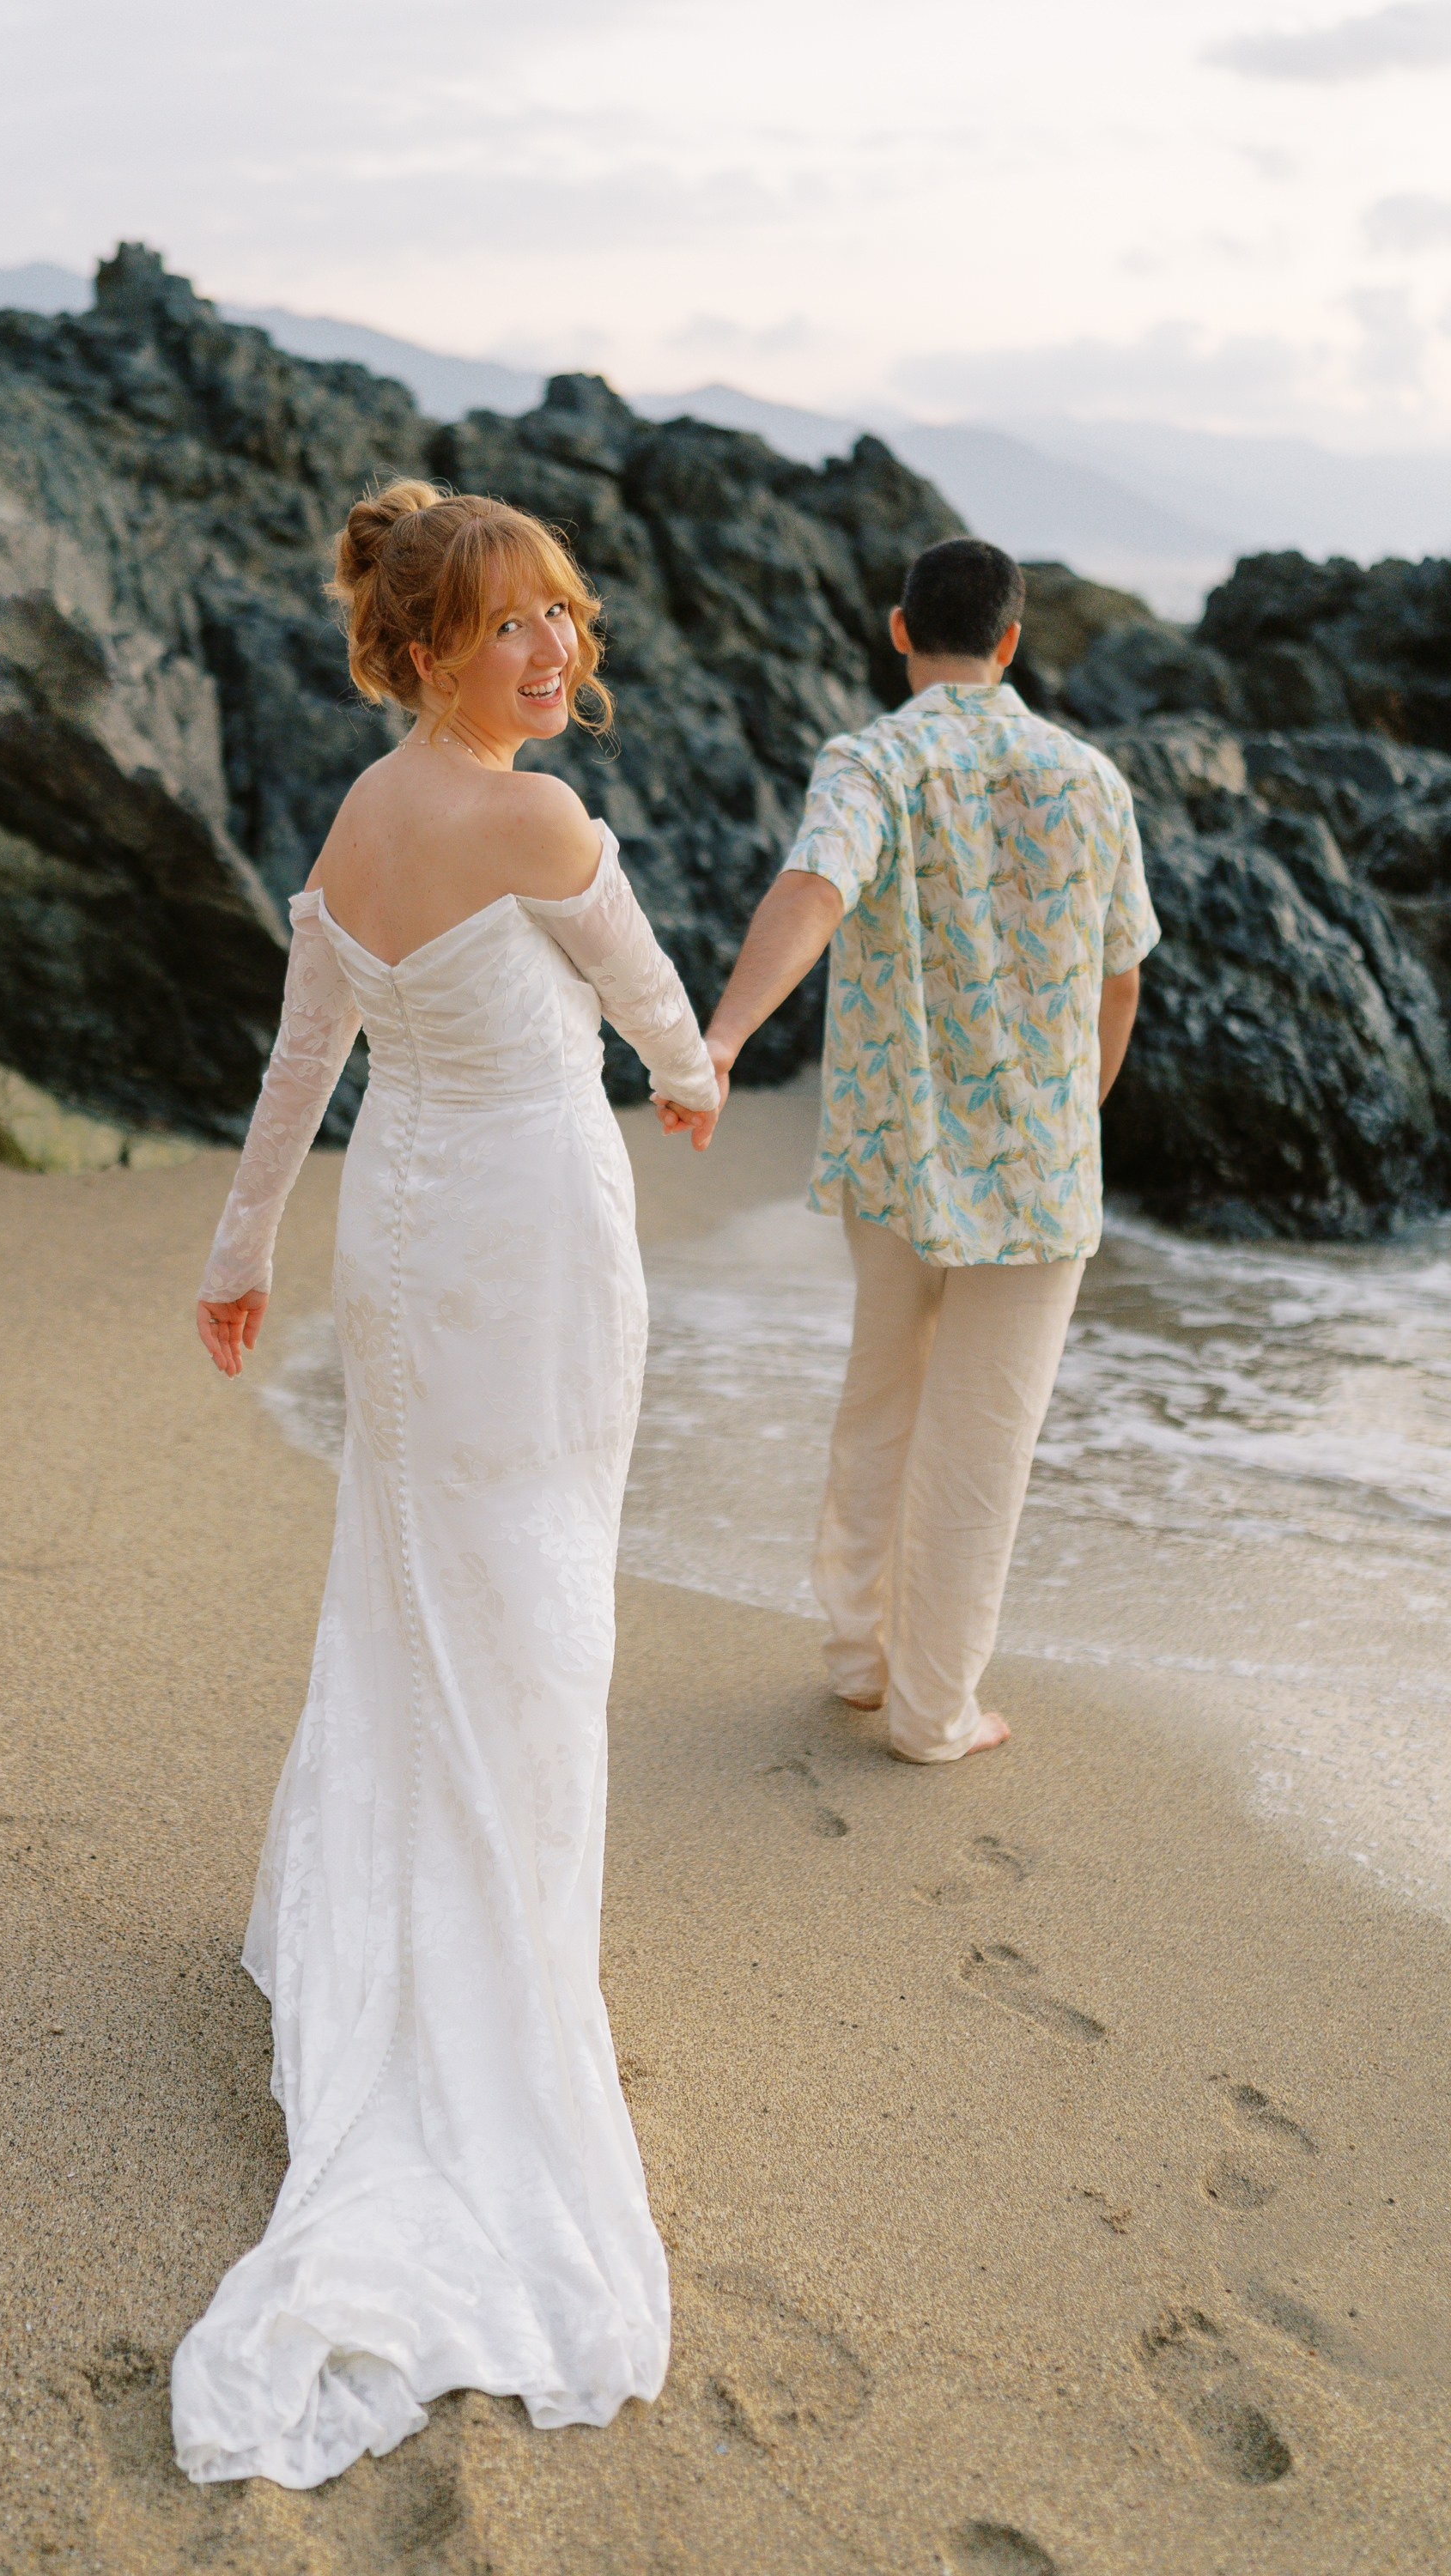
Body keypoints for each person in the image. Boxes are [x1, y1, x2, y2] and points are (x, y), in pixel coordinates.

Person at [172, 483, 719, 2487]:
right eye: (513, 629)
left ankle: (405, 1907)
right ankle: (502, 1956)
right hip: (531, 1234)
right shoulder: (545, 824)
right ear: (423, 648)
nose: (555, 653)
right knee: (535, 1578)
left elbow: (301, 1066)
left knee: (420, 1575)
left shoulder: (353, 823)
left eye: (566, 616)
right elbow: (652, 1001)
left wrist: (241, 1256)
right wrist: (686, 1073)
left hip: (404, 1245)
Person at [679, 538, 1158, 1765]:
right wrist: (1076, 1114)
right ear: (1010, 641)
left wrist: (724, 1036)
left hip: (898, 1149)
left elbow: (813, 885)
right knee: (982, 1442)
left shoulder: (872, 760)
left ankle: (859, 1657)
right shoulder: (1091, 779)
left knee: (883, 1392)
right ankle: (933, 1712)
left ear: (900, 632)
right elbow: (1121, 982)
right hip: (1040, 1166)